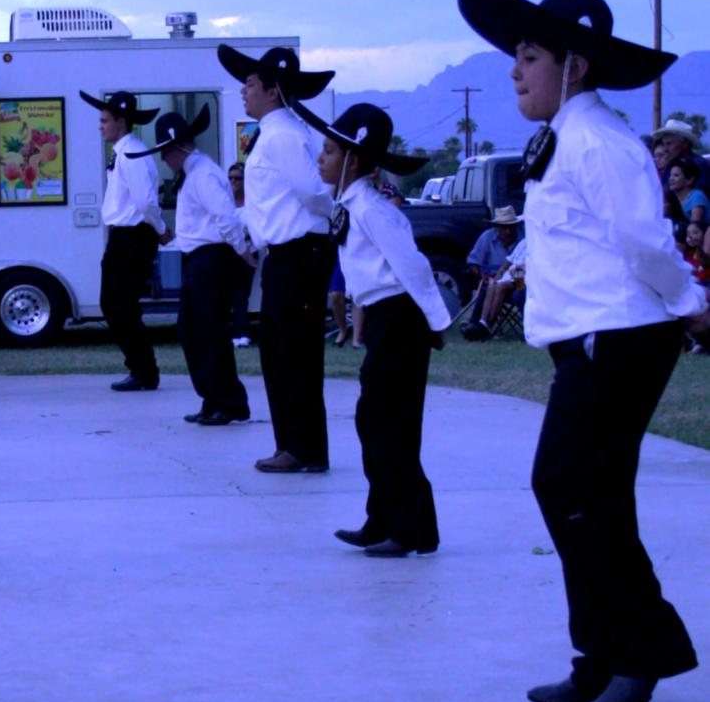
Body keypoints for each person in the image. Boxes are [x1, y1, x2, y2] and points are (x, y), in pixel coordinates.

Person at [457, 0, 707, 702]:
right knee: (583, 496)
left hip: (620, 339)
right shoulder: (562, 140)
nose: (513, 71)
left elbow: (642, 239)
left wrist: (690, 306)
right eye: (515, 56)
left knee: (568, 489)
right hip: (590, 341)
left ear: (576, 66)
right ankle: (600, 656)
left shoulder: (598, 142)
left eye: (528, 56)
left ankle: (639, 650)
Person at [287, 96, 448, 555]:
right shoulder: (350, 204)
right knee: (372, 421)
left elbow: (412, 267)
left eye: (330, 152)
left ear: (353, 161)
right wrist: (360, 321)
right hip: (382, 318)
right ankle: (382, 518)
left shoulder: (374, 209)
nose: (321, 158)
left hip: (401, 319)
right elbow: (363, 274)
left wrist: (436, 322)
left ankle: (411, 528)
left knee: (389, 425)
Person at [220, 43, 335, 475]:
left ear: (272, 90)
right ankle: (297, 445)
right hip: (286, 256)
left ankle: (300, 447)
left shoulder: (284, 135)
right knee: (282, 352)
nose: (243, 91)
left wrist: (335, 217)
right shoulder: (275, 133)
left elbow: (311, 192)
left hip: (298, 256)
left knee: (293, 354)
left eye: (250, 84)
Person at [132, 107, 252, 425]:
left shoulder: (204, 174)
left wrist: (241, 251)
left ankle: (226, 401)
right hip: (201, 258)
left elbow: (225, 217)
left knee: (208, 331)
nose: (165, 159)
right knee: (194, 330)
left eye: (166, 152)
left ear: (178, 147)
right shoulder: (195, 174)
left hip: (211, 258)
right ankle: (214, 397)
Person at [81, 88, 164, 391]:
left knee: (120, 306)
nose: (100, 125)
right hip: (123, 236)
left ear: (121, 121)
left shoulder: (132, 155)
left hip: (132, 237)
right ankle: (141, 367)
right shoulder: (123, 153)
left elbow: (145, 201)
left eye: (105, 120)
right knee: (116, 305)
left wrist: (159, 227)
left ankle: (144, 370)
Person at [462, 206, 526, 339]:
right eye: (504, 227)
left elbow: (527, 267)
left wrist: (516, 274)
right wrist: (484, 276)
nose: (508, 231)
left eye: (512, 226)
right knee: (489, 286)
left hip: (521, 281)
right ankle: (480, 324)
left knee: (501, 287)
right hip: (497, 277)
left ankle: (484, 327)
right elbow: (474, 262)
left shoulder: (526, 240)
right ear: (497, 226)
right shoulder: (487, 238)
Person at [226, 161, 252, 350]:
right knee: (233, 294)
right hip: (229, 253)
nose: (233, 181)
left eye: (238, 178)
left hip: (248, 253)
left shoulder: (252, 203)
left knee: (241, 293)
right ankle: (236, 331)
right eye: (231, 178)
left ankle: (242, 331)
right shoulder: (225, 202)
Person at [666, 155, 709, 237]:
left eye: (676, 175)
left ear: (689, 180)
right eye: (671, 175)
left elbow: (694, 228)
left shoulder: (696, 197)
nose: (671, 179)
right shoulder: (675, 198)